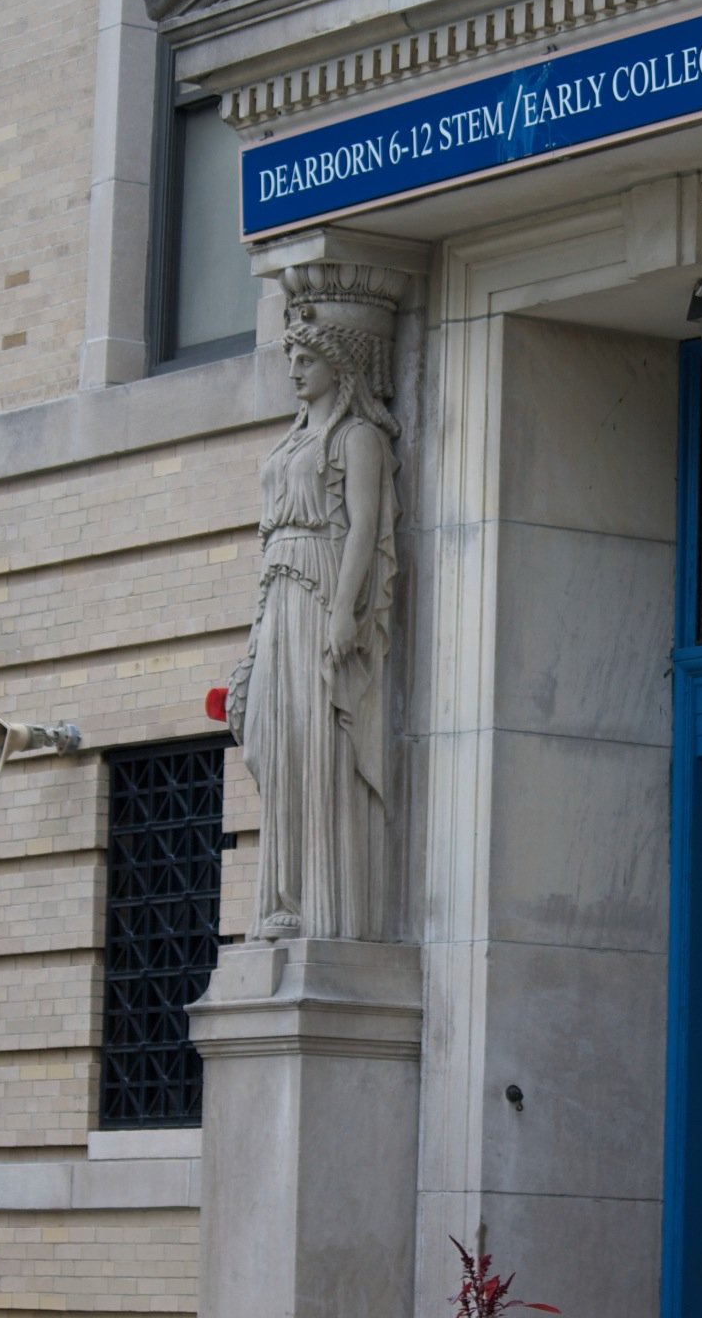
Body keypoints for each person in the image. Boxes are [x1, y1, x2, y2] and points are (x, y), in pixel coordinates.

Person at [226, 304, 399, 940]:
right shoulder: (290, 440)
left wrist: (344, 612)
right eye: (290, 360)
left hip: (322, 586)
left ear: (340, 365)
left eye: (307, 360)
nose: (295, 371)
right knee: (272, 740)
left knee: (315, 741)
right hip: (277, 592)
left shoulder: (357, 438)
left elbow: (363, 531)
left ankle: (324, 908)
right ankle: (281, 896)